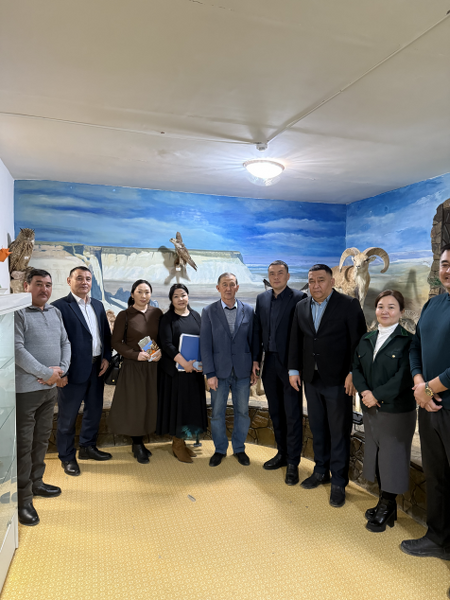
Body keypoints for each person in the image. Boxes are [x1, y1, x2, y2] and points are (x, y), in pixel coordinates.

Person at [288, 264, 366, 507]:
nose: (315, 285)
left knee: (339, 432)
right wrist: (293, 370)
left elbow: (359, 342)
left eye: (321, 280)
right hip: (311, 379)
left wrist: (354, 372)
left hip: (338, 381)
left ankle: (339, 482)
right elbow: (296, 340)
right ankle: (321, 471)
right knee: (318, 428)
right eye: (311, 281)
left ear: (332, 281)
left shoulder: (348, 305)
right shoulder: (301, 306)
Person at [352, 290, 416, 532]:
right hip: (371, 410)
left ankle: (387, 505)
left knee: (392, 458)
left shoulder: (409, 341)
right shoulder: (367, 338)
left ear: (401, 311)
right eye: (380, 306)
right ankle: (385, 503)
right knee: (379, 456)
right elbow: (356, 367)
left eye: (391, 307)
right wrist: (364, 392)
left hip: (396, 411)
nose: (385, 311)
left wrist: (376, 395)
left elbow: (404, 377)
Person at [401, 243, 450, 559]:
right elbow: (415, 347)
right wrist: (420, 384)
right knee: (436, 476)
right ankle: (437, 538)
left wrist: (428, 389)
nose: (448, 270)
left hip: (440, 403)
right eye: (444, 264)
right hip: (430, 408)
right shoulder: (433, 305)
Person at [14, 269, 71, 526]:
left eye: (48, 285)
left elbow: (65, 343)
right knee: (24, 446)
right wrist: (47, 373)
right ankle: (23, 499)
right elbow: (16, 349)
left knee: (40, 440)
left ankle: (37, 483)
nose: (44, 289)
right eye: (39, 284)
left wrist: (61, 371)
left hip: (50, 390)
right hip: (26, 391)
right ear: (26, 286)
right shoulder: (17, 312)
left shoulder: (55, 312)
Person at [52, 266, 112, 476]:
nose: (84, 282)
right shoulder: (58, 307)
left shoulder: (98, 305)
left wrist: (106, 357)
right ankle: (67, 457)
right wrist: (61, 373)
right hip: (71, 372)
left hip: (97, 368)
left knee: (94, 411)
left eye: (88, 278)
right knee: (67, 418)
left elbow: (105, 335)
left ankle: (87, 447)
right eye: (79, 278)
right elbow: (55, 343)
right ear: (69, 281)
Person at [252, 260, 306, 485]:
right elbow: (257, 331)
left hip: (291, 366)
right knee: (275, 412)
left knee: (292, 414)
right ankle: (282, 454)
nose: (276, 277)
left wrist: (297, 367)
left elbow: (302, 336)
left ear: (288, 276)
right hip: (269, 363)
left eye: (280, 273)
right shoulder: (262, 299)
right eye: (272, 273)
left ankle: (293, 462)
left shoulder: (299, 298)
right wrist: (255, 359)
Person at [200, 272, 255, 467]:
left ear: (237, 287)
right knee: (217, 413)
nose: (228, 288)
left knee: (242, 412)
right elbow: (205, 345)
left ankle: (239, 448)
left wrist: (255, 365)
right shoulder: (208, 311)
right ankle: (220, 449)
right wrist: (210, 373)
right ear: (218, 288)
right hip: (218, 372)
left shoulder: (248, 310)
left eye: (232, 284)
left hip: (242, 371)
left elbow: (253, 341)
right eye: (224, 284)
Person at [108, 279, 162, 464]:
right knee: (136, 405)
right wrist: (134, 355)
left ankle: (143, 439)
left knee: (150, 403)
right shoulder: (124, 315)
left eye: (147, 292)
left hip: (153, 366)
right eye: (139, 292)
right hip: (133, 367)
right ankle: (137, 443)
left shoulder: (157, 313)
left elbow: (162, 337)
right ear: (132, 295)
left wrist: (159, 352)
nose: (143, 295)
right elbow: (116, 342)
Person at [156, 284, 207, 463]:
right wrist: (184, 363)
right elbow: (167, 345)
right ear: (171, 300)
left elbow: (202, 341)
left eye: (183, 295)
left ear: (188, 297)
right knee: (179, 408)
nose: (180, 299)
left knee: (190, 408)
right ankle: (177, 444)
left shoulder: (196, 316)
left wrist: (202, 363)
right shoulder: (167, 318)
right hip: (176, 373)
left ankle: (183, 441)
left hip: (193, 373)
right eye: (176, 296)